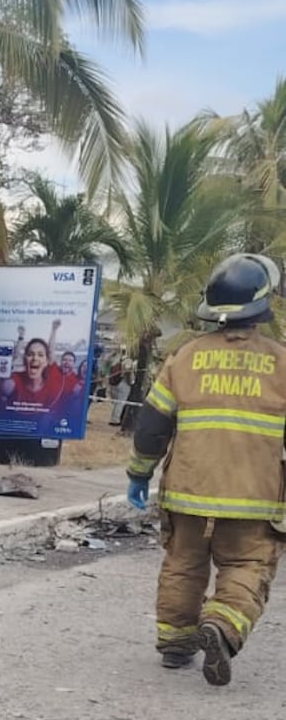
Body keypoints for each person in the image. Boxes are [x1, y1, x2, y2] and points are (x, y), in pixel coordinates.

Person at [127, 253, 286, 686]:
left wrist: (139, 473)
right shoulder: (282, 364)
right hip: (254, 500)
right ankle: (221, 626)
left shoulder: (186, 359)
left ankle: (176, 644)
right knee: (247, 567)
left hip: (188, 495)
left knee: (183, 565)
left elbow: (152, 425)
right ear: (262, 304)